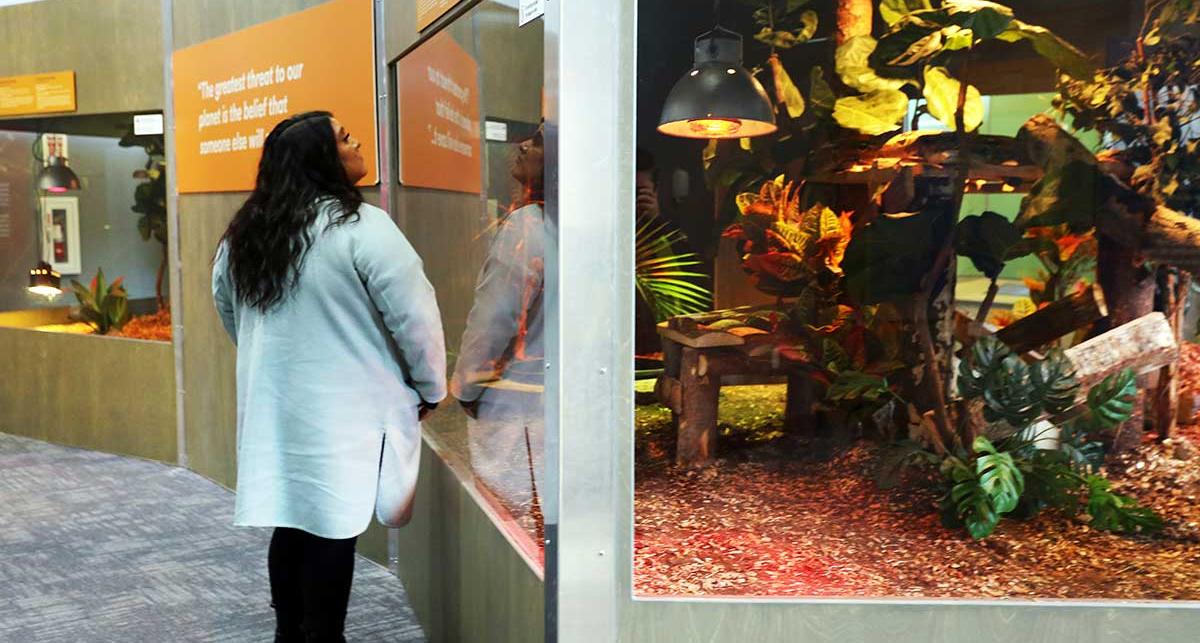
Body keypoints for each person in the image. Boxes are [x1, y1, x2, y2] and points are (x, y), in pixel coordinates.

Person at [211, 110, 446, 643]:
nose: (357, 140)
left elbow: (227, 311)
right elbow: (415, 316)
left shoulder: (245, 235)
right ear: (320, 159)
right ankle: (322, 636)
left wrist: (274, 366)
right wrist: (430, 386)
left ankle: (287, 634)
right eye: (343, 138)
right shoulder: (364, 227)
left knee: (291, 522)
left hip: (276, 407)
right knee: (333, 532)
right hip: (349, 413)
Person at [450, 123, 546, 536]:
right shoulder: (586, 225)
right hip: (561, 404)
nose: (523, 145)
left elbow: (493, 319)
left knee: (512, 527)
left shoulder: (528, 225)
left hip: (517, 406)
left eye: (540, 140)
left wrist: (467, 387)